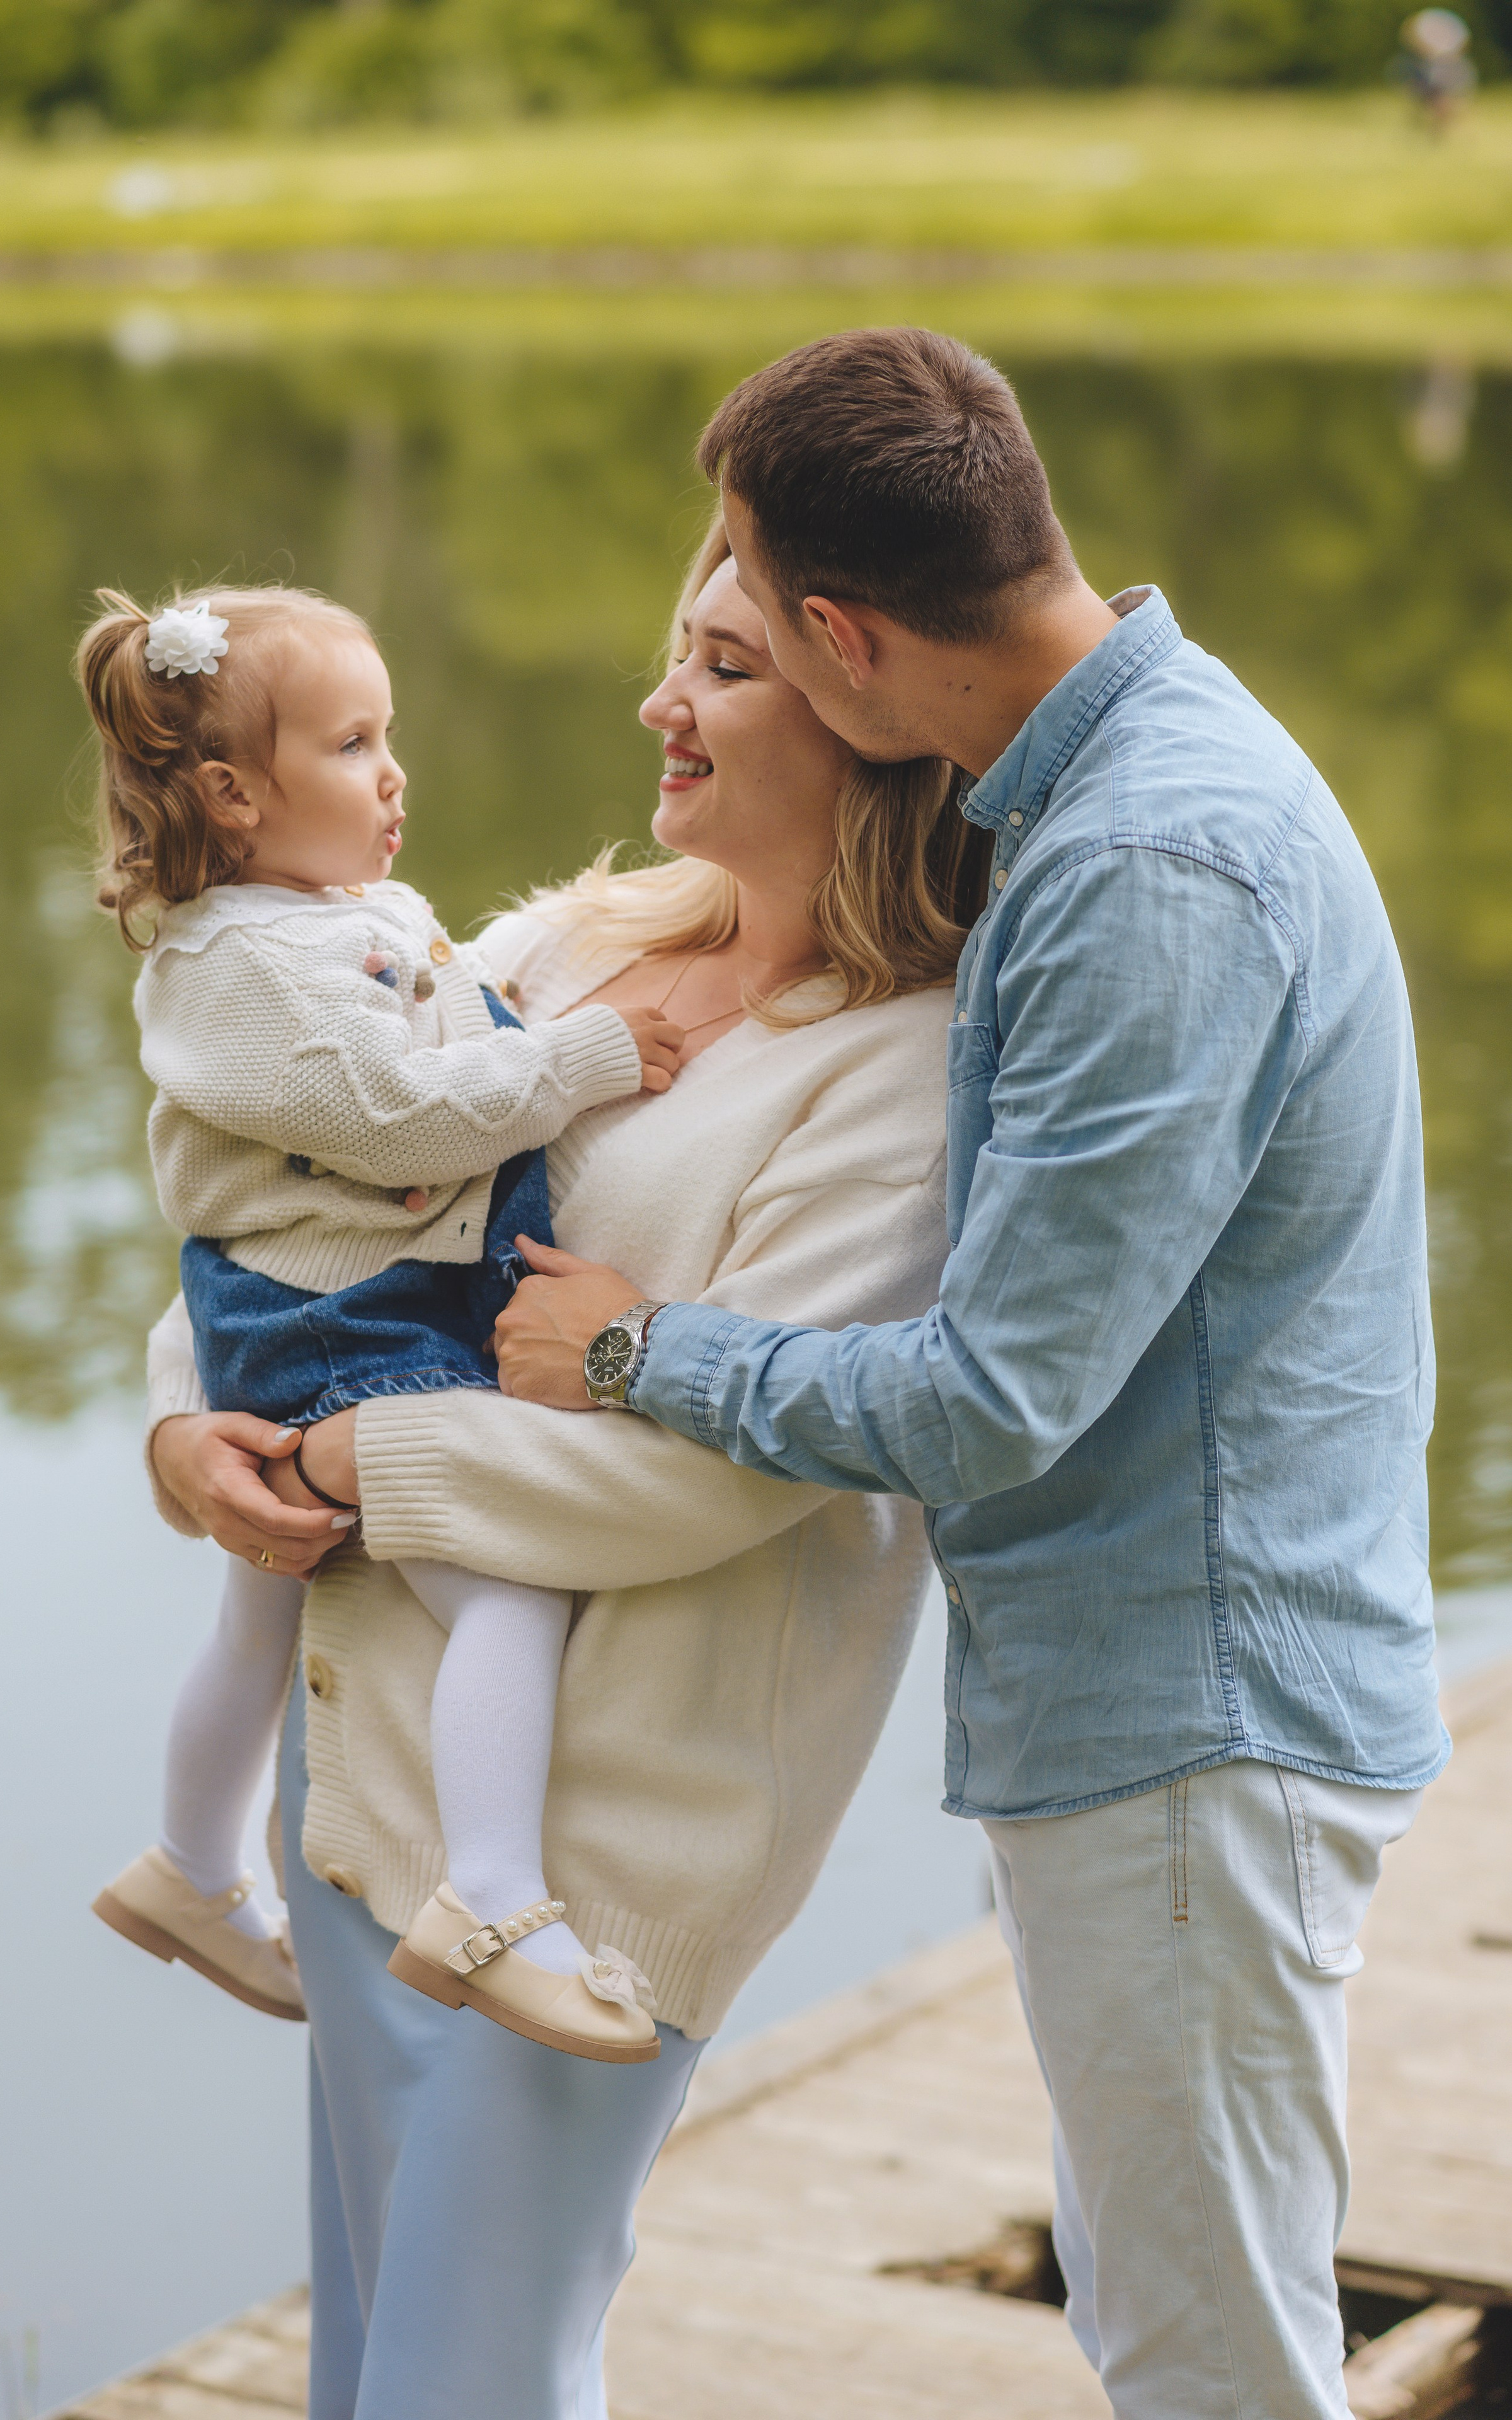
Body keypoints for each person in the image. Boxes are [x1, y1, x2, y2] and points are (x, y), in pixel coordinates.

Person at [487, 330, 1447, 2420]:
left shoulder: (1140, 873)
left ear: (843, 637)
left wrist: (634, 1347)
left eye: (751, 619)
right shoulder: (1143, 776)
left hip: (1197, 1714)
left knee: (1210, 2356)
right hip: (1174, 1703)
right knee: (1165, 2305)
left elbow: (998, 1395)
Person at [142, 514, 986, 2416]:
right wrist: (184, 1426)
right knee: (382, 2364)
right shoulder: (559, 943)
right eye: (679, 648)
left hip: (593, 1853)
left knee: (478, 2381)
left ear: (871, 706)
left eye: (727, 667)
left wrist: (371, 1457)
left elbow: (728, 1478)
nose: (657, 702)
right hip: (361, 1777)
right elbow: (273, 1212)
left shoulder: (911, 1070)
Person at [77, 580, 683, 2060]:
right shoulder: (235, 971)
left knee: (257, 1609)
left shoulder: (340, 917)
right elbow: (398, 1119)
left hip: (325, 1298)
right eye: (352, 744)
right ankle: (486, 1900)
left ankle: (191, 1867)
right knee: (507, 1591)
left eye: (386, 735)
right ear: (231, 792)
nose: (392, 774)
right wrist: (587, 1056)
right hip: (333, 1325)